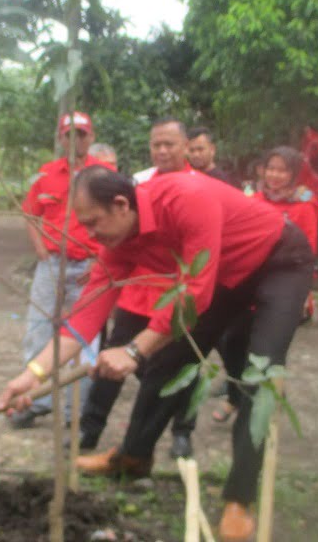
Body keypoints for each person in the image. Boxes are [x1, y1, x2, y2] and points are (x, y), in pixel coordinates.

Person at [0, 166, 315, 540]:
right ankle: (133, 457)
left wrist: (133, 349)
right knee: (167, 361)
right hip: (221, 277)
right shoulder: (118, 242)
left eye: (93, 223)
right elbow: (84, 317)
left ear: (120, 205)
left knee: (257, 378)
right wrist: (32, 375)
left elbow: (194, 292)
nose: (89, 235)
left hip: (279, 261)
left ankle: (239, 499)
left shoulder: (185, 198)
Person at [78, 118, 200, 459]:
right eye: (156, 145)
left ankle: (181, 432)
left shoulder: (200, 187)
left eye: (169, 144)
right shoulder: (138, 183)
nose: (161, 151)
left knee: (183, 366)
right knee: (111, 356)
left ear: (186, 146)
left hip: (179, 296)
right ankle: (90, 428)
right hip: (136, 290)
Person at [10, 111, 109, 429]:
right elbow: (30, 213)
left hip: (90, 268)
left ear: (90, 137)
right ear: (60, 138)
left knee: (84, 338)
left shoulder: (104, 174)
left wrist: (100, 260)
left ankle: (76, 410)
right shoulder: (46, 174)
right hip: (51, 265)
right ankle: (37, 402)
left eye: (81, 134)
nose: (75, 140)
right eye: (69, 134)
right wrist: (41, 250)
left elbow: (117, 221)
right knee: (39, 331)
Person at [212, 146, 318, 423]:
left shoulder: (305, 206)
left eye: (282, 170)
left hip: (282, 289)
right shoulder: (250, 198)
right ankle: (237, 397)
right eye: (270, 168)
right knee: (231, 339)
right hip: (246, 282)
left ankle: (262, 409)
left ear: (294, 174)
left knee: (270, 350)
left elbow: (307, 250)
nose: (274, 175)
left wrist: (305, 293)